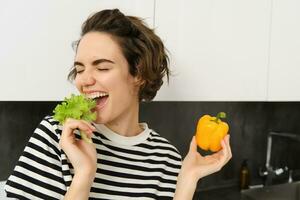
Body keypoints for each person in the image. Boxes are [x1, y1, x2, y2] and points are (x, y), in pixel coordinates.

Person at [4, 9, 231, 199]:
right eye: (80, 69)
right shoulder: (58, 136)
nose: (84, 80)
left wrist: (186, 183)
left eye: (102, 67)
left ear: (138, 73)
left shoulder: (167, 158)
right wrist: (84, 174)